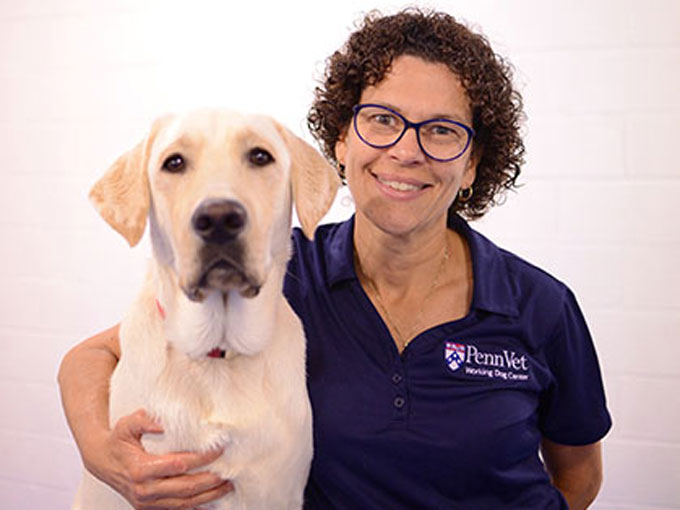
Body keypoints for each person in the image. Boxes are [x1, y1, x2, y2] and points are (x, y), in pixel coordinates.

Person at [59, 8, 611, 510]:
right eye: (382, 119)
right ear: (342, 140)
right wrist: (103, 457)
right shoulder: (285, 274)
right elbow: (92, 355)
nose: (406, 150)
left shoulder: (540, 305)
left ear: (471, 165)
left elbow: (579, 475)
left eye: (442, 131)